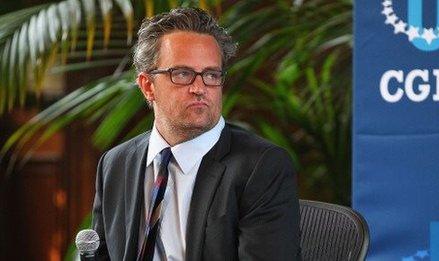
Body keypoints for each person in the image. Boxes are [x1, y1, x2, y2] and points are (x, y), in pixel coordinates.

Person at [91, 7, 300, 261]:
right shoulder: (115, 164)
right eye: (183, 74)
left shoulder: (262, 167)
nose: (200, 88)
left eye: (211, 75)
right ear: (147, 86)